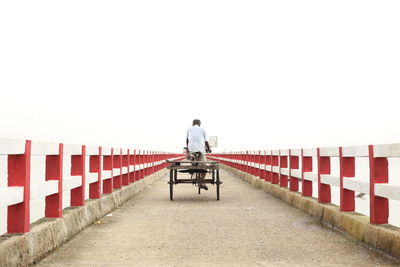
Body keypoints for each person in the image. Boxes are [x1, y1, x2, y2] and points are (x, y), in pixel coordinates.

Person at [186, 119, 212, 190]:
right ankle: (201, 182)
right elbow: (206, 141)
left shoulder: (189, 129)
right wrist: (209, 149)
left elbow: (187, 140)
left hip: (191, 149)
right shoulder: (202, 129)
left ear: (193, 123)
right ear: (199, 124)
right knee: (204, 166)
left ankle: (192, 166)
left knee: (192, 156)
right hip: (200, 150)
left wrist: (188, 149)